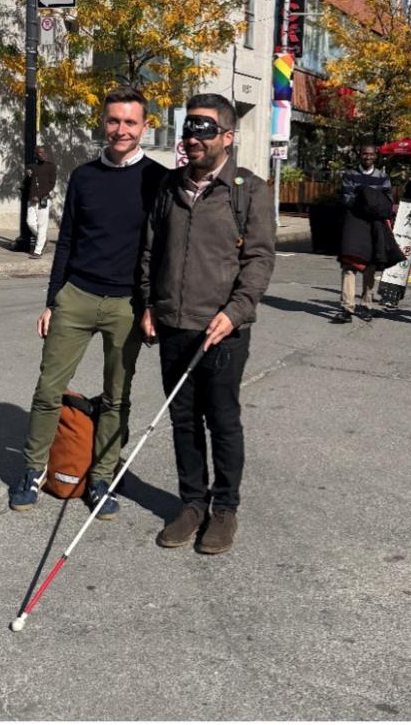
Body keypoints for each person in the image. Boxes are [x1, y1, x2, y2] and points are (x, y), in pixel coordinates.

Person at [9, 86, 167, 516]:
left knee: (117, 397)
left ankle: (100, 478)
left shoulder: (157, 179)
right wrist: (51, 301)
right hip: (76, 296)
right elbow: (68, 243)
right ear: (104, 122)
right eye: (114, 120)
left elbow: (164, 249)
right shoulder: (82, 176)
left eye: (130, 122)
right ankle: (32, 470)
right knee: (48, 389)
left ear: (144, 126)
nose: (121, 129)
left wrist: (153, 306)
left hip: (126, 305)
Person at [140, 93, 274, 555]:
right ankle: (192, 504)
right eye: (188, 128)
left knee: (222, 421)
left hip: (222, 332)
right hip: (173, 324)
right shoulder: (168, 187)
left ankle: (224, 510)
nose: (192, 138)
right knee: (182, 420)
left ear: (227, 137)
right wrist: (148, 304)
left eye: (204, 129)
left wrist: (234, 312)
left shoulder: (249, 190)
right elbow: (149, 252)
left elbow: (258, 261)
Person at [334, 141, 393, 323]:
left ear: (376, 156)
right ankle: (347, 308)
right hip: (354, 224)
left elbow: (387, 204)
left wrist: (364, 197)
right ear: (360, 155)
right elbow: (347, 200)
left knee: (370, 266)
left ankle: (367, 305)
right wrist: (371, 201)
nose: (368, 157)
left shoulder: (383, 177)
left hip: (374, 226)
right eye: (364, 154)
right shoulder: (350, 175)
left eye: (371, 154)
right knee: (349, 265)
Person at [24, 145, 57, 259]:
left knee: (42, 225)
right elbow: (28, 182)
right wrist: (27, 174)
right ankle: (42, 239)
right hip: (31, 199)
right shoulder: (31, 167)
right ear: (36, 155)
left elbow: (51, 184)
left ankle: (38, 251)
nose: (43, 154)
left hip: (43, 199)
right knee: (30, 222)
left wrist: (39, 196)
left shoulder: (51, 167)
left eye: (44, 152)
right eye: (40, 153)